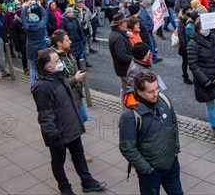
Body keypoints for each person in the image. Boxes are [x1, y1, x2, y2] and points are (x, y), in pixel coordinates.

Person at [32, 49, 107, 195]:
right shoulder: (42, 88)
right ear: (48, 67)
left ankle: (87, 182)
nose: (60, 63)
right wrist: (54, 137)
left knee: (79, 155)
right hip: (58, 134)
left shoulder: (58, 77)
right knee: (58, 163)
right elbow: (45, 115)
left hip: (72, 128)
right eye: (56, 61)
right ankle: (65, 189)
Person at [119, 70, 183, 195]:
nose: (156, 94)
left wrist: (175, 148)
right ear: (139, 91)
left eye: (157, 89)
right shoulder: (129, 116)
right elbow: (127, 148)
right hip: (151, 172)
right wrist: (146, 169)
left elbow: (174, 125)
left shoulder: (164, 100)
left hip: (171, 164)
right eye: (151, 91)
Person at [187, 18, 215, 140]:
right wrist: (205, 81)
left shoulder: (211, 36)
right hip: (206, 79)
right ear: (199, 30)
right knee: (210, 104)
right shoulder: (193, 44)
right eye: (205, 28)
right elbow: (193, 65)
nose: (208, 30)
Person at [50, 29, 88, 124]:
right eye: (67, 40)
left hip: (76, 93)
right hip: (66, 96)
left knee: (83, 117)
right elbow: (57, 83)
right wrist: (75, 78)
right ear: (59, 43)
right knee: (75, 120)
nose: (70, 41)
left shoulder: (68, 52)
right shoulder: (54, 59)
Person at [22, 1, 49, 87]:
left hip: (31, 49)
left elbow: (22, 17)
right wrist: (40, 6)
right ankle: (44, 82)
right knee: (42, 66)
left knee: (33, 68)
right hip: (41, 48)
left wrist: (26, 6)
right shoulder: (41, 25)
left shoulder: (27, 27)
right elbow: (45, 16)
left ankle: (32, 84)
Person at [108, 13, 134, 96]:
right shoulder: (118, 37)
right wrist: (134, 59)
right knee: (131, 90)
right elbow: (121, 56)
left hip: (121, 69)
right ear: (122, 24)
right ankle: (128, 107)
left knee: (124, 89)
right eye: (125, 22)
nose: (127, 23)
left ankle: (125, 106)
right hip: (125, 70)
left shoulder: (116, 34)